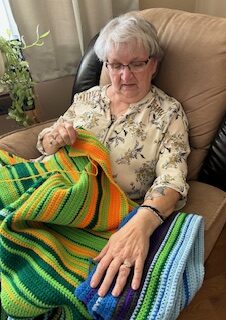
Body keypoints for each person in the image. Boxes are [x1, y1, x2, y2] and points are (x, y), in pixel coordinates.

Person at [35, 12, 190, 300]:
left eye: (136, 64)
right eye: (116, 64)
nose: (125, 75)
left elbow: (172, 176)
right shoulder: (87, 98)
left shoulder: (168, 113)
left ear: (153, 64)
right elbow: (47, 141)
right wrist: (52, 139)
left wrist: (142, 222)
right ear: (106, 64)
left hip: (97, 213)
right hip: (47, 186)